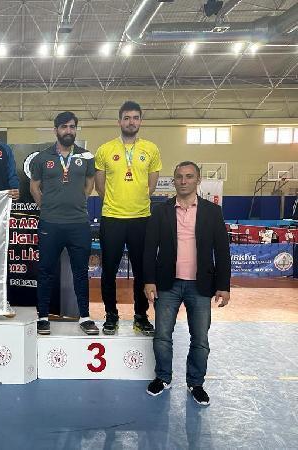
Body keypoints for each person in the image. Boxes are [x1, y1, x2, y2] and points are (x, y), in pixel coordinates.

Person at [143, 161, 231, 406]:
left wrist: (223, 285)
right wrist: (149, 280)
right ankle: (163, 378)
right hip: (167, 284)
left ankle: (196, 383)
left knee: (200, 339)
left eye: (189, 176)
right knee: (162, 336)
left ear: (198, 180)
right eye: (179, 176)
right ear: (174, 180)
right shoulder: (160, 211)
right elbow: (149, 248)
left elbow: (222, 251)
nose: (184, 181)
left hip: (200, 285)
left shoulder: (212, 212)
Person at [94, 101, 161, 336]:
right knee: (108, 271)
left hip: (141, 218)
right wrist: (116, 203)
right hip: (112, 218)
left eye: (135, 117)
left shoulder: (151, 149)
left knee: (143, 271)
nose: (131, 122)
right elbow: (100, 187)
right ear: (119, 121)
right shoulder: (105, 150)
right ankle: (111, 316)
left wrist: (135, 202)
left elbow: (151, 186)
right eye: (127, 118)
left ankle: (141, 317)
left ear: (140, 121)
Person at [30, 111, 99, 335]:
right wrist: (47, 207)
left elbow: (90, 182)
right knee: (46, 271)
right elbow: (34, 187)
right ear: (56, 130)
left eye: (72, 127)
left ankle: (85, 316)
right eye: (64, 127)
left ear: (76, 129)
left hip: (78, 224)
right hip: (50, 223)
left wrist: (78, 202)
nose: (68, 130)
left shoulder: (86, 156)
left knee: (80, 272)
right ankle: (42, 317)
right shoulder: (42, 157)